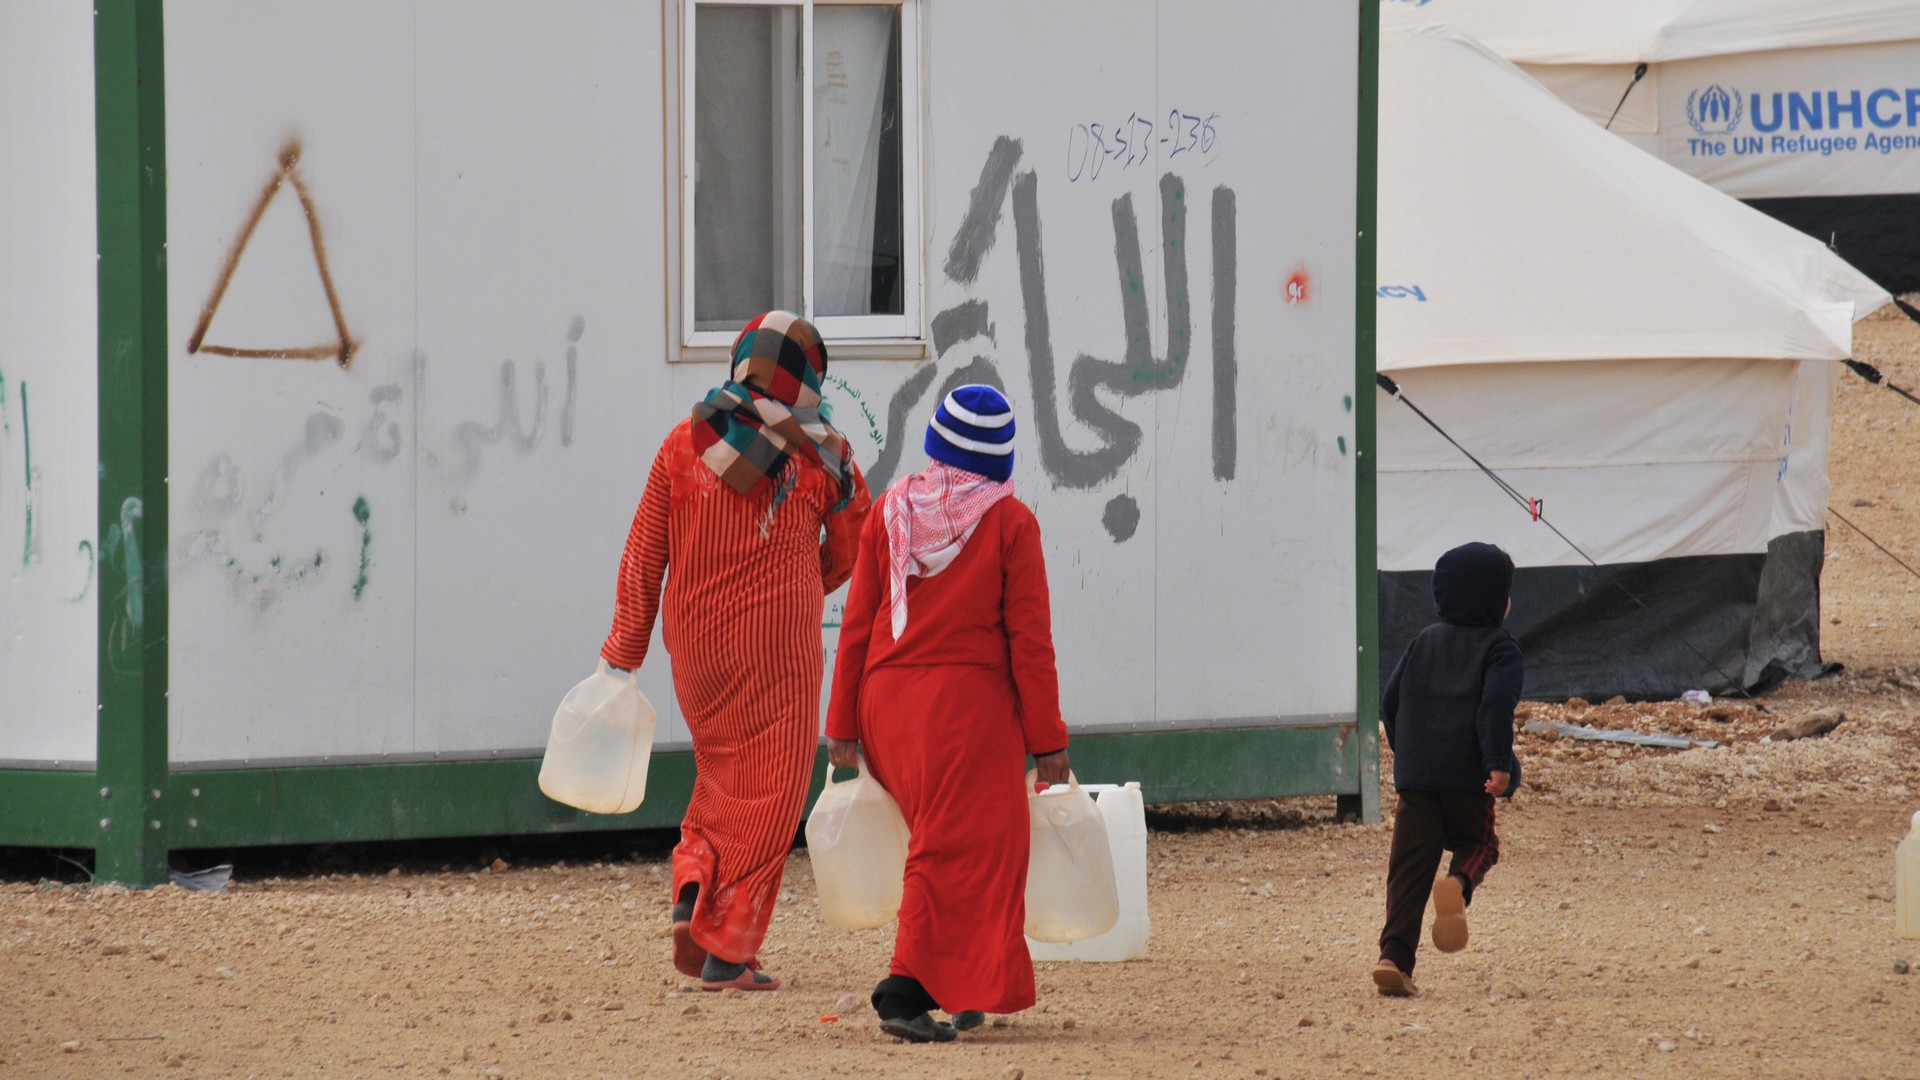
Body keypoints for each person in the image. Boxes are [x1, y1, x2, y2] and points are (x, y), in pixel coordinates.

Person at [600, 311, 872, 992]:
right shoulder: (823, 454)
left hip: (695, 646)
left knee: (720, 771)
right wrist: (806, 581)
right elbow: (854, 551)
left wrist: (623, 654)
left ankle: (694, 882)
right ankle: (727, 949)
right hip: (777, 646)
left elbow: (643, 557)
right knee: (775, 792)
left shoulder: (681, 445)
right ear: (807, 376)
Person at [823, 385, 1070, 1043]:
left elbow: (858, 623)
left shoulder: (895, 509)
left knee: (951, 840)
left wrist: (842, 723)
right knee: (961, 848)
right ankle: (905, 990)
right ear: (1000, 459)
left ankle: (965, 987)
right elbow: (1031, 643)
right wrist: (1049, 741)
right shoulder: (1011, 523)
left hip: (885, 707)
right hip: (964, 715)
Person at [1372, 541, 1523, 997]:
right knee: (1481, 843)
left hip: (1417, 782)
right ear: (1498, 601)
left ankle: (1393, 959)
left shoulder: (1422, 641)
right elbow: (1494, 707)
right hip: (1468, 778)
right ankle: (1457, 885)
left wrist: (1409, 754)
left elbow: (1390, 703)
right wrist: (1498, 765)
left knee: (1407, 872)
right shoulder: (1502, 649)